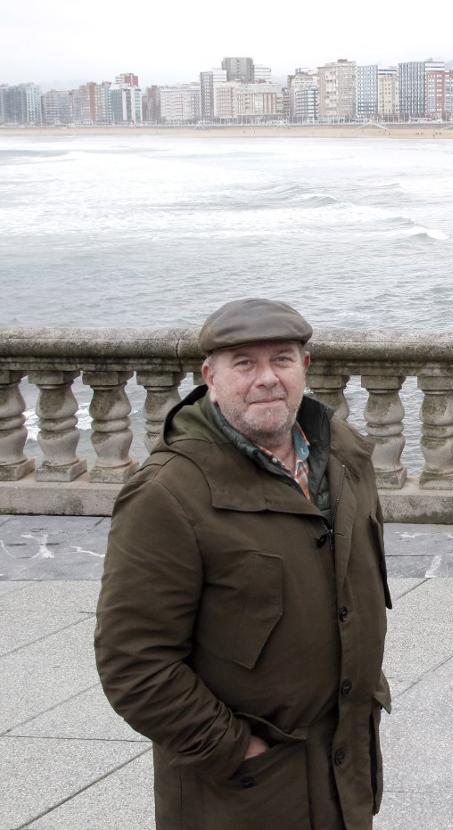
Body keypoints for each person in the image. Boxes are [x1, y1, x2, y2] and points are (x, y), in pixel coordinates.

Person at [96, 298, 392, 829]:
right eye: (244, 364)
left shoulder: (344, 454)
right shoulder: (167, 494)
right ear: (210, 375)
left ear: (306, 366)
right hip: (245, 792)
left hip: (344, 773)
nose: (267, 379)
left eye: (281, 359)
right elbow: (134, 664)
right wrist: (235, 749)